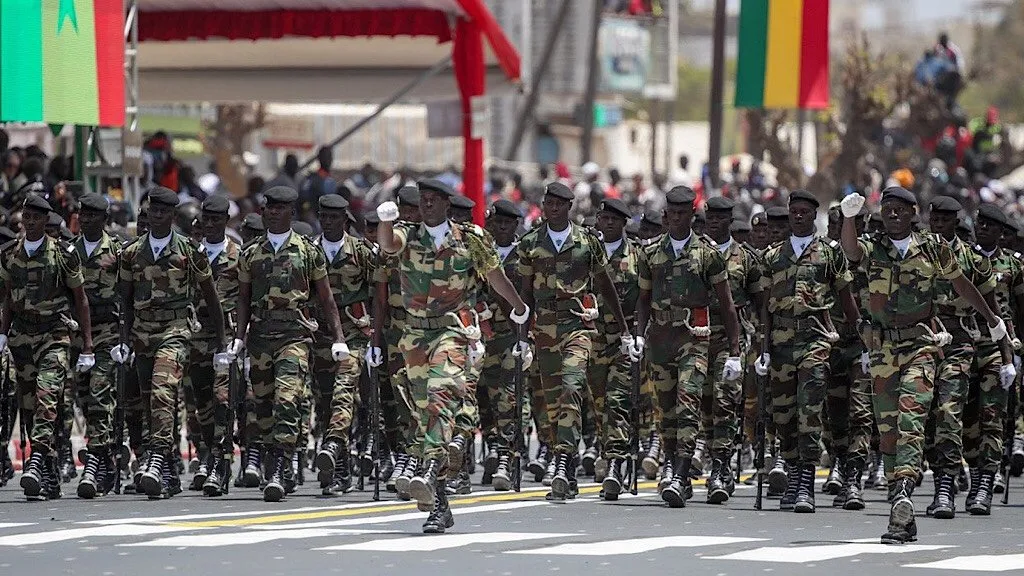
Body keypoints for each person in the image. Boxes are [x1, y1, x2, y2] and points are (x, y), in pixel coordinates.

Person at [839, 186, 1013, 544]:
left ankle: (903, 493)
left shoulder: (932, 247)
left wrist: (992, 320)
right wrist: (849, 218)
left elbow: (962, 284)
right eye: (887, 209)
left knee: (911, 418)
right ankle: (898, 506)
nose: (893, 215)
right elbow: (850, 250)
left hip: (920, 346)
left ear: (913, 212)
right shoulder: (873, 246)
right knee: (887, 432)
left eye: (900, 209)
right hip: (883, 350)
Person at [375, 179, 530, 533]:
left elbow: (494, 275)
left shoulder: (470, 237)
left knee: (440, 399)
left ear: (447, 203)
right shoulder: (408, 234)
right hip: (414, 335)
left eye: (433, 200)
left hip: (452, 331)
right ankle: (439, 506)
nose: (426, 205)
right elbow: (387, 244)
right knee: (424, 415)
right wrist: (385, 221)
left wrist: (518, 305)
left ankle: (428, 470)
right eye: (423, 200)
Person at [231, 185, 352, 502]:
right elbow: (242, 299)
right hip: (260, 337)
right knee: (265, 406)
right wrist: (238, 338)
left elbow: (326, 298)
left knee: (287, 398)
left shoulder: (309, 252)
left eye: (279, 208)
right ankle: (279, 462)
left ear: (290, 213)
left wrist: (339, 337)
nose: (273, 213)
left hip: (294, 337)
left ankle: (277, 467)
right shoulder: (250, 253)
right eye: (269, 208)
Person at [517, 182, 633, 501]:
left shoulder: (586, 242)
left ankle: (563, 459)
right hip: (544, 329)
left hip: (577, 325)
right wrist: (522, 338)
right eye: (548, 203)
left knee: (572, 385)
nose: (552, 208)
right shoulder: (530, 243)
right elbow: (525, 293)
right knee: (554, 401)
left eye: (558, 204)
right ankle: (566, 467)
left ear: (569, 206)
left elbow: (606, 285)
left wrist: (624, 329)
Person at [633, 186, 741, 508]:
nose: (676, 219)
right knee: (665, 410)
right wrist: (638, 335)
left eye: (682, 214)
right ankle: (670, 462)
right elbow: (642, 300)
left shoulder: (708, 254)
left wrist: (735, 351)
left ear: (692, 216)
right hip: (660, 341)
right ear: (665, 215)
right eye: (671, 214)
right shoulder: (650, 253)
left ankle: (681, 473)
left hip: (695, 340)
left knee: (688, 404)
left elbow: (727, 304)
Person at [756, 190, 860, 514]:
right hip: (781, 344)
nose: (798, 216)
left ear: (813, 216)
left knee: (810, 409)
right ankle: (792, 470)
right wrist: (763, 349)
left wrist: (862, 342)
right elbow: (764, 307)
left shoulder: (830, 254)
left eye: (804, 212)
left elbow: (846, 300)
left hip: (815, 340)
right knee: (783, 414)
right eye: (794, 211)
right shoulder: (773, 256)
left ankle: (806, 482)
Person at [119, 187, 225, 500]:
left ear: (173, 216)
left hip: (176, 331)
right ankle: (166, 473)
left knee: (164, 392)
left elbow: (211, 298)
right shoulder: (132, 252)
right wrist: (124, 339)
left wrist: (221, 342)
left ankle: (153, 459)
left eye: (163, 212)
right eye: (153, 211)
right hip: (142, 334)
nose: (157, 216)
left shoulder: (190, 251)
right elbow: (124, 301)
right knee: (152, 401)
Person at [0, 193, 94, 501]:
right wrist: (2, 334)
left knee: (47, 394)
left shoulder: (63, 254)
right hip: (21, 337)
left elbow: (80, 299)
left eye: (35, 217)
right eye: (26, 216)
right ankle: (50, 473)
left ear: (45, 220)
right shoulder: (9, 254)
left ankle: (38, 460)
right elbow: (7, 299)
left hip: (54, 335)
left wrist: (88, 345)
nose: (29, 221)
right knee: (28, 407)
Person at [312, 194, 377, 497]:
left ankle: (334, 445)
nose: (327, 222)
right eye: (323, 216)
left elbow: (377, 292)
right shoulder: (310, 251)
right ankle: (341, 468)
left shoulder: (361, 252)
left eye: (333, 217)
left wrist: (377, 336)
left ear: (344, 220)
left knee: (344, 389)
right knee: (325, 400)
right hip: (320, 334)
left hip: (353, 334)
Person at [700, 196, 763, 504]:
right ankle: (702, 458)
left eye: (721, 218)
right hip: (695, 335)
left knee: (725, 400)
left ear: (730, 221)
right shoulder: (693, 253)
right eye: (710, 217)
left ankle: (722, 467)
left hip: (731, 337)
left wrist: (761, 342)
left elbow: (758, 302)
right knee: (701, 402)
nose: (715, 222)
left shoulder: (746, 258)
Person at [588, 198, 644, 499]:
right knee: (599, 404)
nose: (608, 223)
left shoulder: (637, 256)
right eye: (604, 218)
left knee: (617, 401)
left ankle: (615, 464)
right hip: (593, 338)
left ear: (624, 224)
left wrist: (638, 334)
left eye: (615, 220)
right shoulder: (587, 253)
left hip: (623, 341)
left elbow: (645, 296)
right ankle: (607, 450)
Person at [187, 195, 241, 496]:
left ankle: (221, 462)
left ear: (225, 222)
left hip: (227, 339)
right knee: (202, 404)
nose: (210, 225)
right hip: (197, 336)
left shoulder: (237, 255)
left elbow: (247, 297)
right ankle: (209, 452)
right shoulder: (190, 255)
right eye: (205, 220)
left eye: (216, 220)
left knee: (223, 399)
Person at [73, 193, 122, 499]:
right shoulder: (68, 252)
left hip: (107, 333)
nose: (86, 219)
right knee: (82, 397)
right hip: (77, 335)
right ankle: (104, 457)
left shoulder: (117, 251)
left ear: (104, 219)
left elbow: (128, 295)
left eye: (93, 215)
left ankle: (95, 458)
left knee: (100, 393)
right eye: (83, 214)